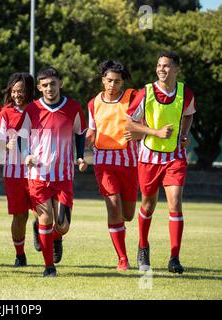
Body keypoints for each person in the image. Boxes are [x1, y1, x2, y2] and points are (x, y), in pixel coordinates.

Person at [126, 51, 196, 274]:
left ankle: (174, 257)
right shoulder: (144, 92)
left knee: (175, 202)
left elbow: (188, 114)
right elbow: (129, 124)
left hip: (175, 157)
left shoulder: (186, 93)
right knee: (148, 204)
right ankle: (143, 247)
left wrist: (183, 134)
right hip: (148, 157)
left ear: (177, 69)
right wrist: (154, 131)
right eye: (159, 65)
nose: (161, 69)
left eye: (166, 66)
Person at [19, 67, 87, 277]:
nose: (49, 88)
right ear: (39, 87)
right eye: (45, 85)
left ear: (61, 83)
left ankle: (52, 236)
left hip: (64, 176)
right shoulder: (32, 110)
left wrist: (80, 156)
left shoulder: (74, 108)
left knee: (63, 226)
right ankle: (49, 266)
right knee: (47, 219)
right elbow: (21, 137)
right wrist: (26, 156)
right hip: (38, 175)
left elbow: (80, 133)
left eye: (53, 84)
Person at [86, 60, 139, 271]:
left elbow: (146, 123)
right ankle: (122, 258)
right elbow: (91, 131)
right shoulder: (93, 103)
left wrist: (139, 132)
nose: (112, 85)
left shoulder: (133, 99)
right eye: (109, 81)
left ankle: (122, 232)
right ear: (102, 80)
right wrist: (81, 149)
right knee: (114, 207)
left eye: (117, 82)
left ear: (122, 83)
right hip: (103, 162)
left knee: (128, 214)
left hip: (129, 162)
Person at [0, 72, 35, 267]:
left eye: (22, 91)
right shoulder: (4, 113)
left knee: (43, 213)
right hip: (13, 173)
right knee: (20, 215)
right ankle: (20, 254)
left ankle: (41, 230)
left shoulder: (38, 109)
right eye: (14, 91)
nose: (18, 94)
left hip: (38, 171)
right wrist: (5, 146)